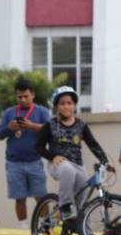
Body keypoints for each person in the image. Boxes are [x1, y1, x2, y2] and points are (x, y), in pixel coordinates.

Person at [36, 85, 114, 221]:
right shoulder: (50, 124)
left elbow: (93, 144)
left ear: (74, 105)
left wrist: (105, 161)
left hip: (78, 166)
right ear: (56, 106)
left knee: (83, 202)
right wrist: (53, 156)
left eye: (69, 103)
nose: (66, 107)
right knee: (67, 170)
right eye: (62, 103)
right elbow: (38, 147)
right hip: (58, 164)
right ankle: (65, 206)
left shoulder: (81, 125)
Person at [0, 77, 50, 228]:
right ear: (16, 96)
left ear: (33, 95)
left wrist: (32, 125)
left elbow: (51, 129)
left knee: (41, 196)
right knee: (19, 197)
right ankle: (23, 226)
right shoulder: (9, 113)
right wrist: (9, 128)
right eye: (19, 97)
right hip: (14, 163)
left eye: (26, 96)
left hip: (34, 161)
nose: (23, 99)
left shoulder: (42, 112)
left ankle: (44, 224)